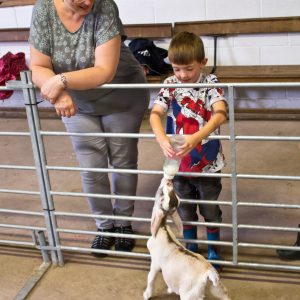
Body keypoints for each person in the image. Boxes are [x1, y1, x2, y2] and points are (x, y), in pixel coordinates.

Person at [29, 0, 149, 256]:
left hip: (121, 95)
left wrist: (60, 80)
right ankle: (105, 227)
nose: (87, 2)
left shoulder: (104, 6)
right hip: (75, 101)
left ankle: (124, 224)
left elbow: (104, 70)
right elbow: (38, 65)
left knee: (123, 160)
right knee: (91, 166)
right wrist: (57, 94)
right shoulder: (43, 10)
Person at [150, 32, 227, 270]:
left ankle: (214, 248)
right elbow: (155, 114)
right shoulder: (170, 85)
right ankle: (190, 247)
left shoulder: (210, 83)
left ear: (202, 63)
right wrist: (161, 138)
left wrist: (197, 137)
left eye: (189, 69)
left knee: (209, 208)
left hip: (208, 163)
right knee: (184, 208)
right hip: (178, 164)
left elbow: (220, 113)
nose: (182, 75)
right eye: (176, 69)